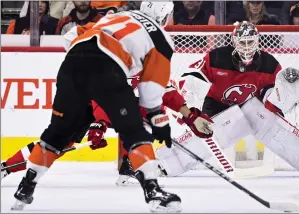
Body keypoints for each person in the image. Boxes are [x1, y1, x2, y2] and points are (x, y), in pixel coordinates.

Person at [10, 2, 183, 213]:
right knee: (134, 131)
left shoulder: (118, 16)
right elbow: (151, 89)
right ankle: (153, 191)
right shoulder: (162, 39)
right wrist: (157, 116)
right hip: (107, 68)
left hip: (71, 64)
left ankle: (25, 188)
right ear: (165, 16)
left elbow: (71, 35)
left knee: (56, 135)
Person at [157, 21, 299, 177]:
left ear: (257, 41)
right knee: (208, 133)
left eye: (250, 42)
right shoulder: (217, 57)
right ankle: (169, 164)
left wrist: (283, 100)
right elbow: (193, 76)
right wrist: (189, 106)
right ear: (234, 42)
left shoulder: (269, 64)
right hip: (216, 104)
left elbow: (270, 98)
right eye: (242, 43)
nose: (247, 47)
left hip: (247, 107)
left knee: (269, 122)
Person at [2, 76, 213, 186]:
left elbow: (167, 94)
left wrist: (190, 115)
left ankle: (127, 167)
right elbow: (98, 95)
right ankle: (6, 167)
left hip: (118, 108)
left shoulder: (150, 63)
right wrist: (99, 123)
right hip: (83, 102)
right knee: (58, 144)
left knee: (148, 124)